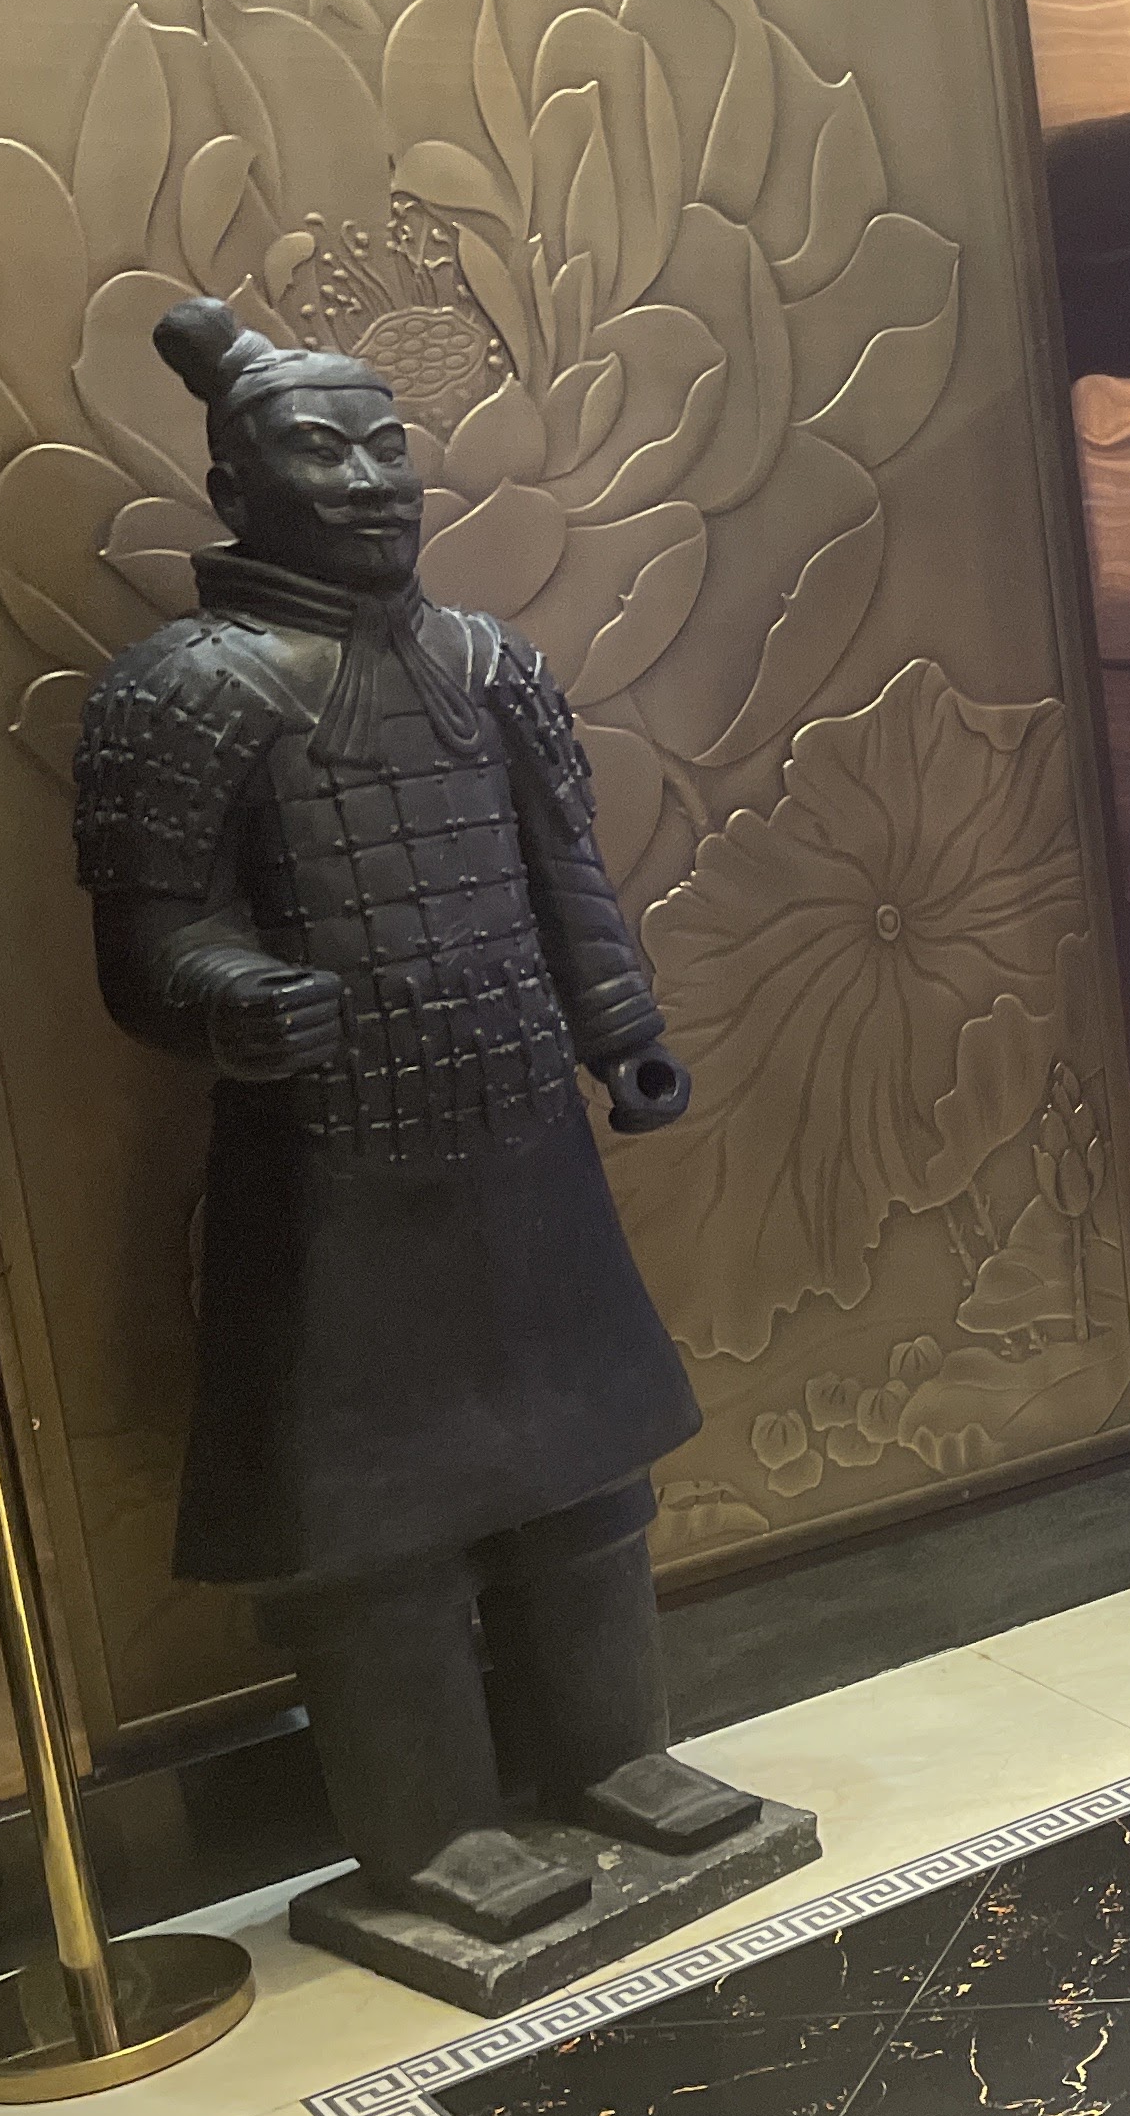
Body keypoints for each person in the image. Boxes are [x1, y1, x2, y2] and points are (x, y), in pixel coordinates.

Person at [72, 299, 748, 1944]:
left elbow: (564, 874)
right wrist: (233, 994)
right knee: (373, 1523)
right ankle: (430, 1826)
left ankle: (612, 1751)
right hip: (328, 1167)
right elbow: (145, 943)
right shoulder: (183, 690)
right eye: (324, 450)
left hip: (520, 1122)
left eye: (387, 446)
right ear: (237, 486)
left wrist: (624, 1035)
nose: (371, 479)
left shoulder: (489, 664)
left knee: (584, 1467)